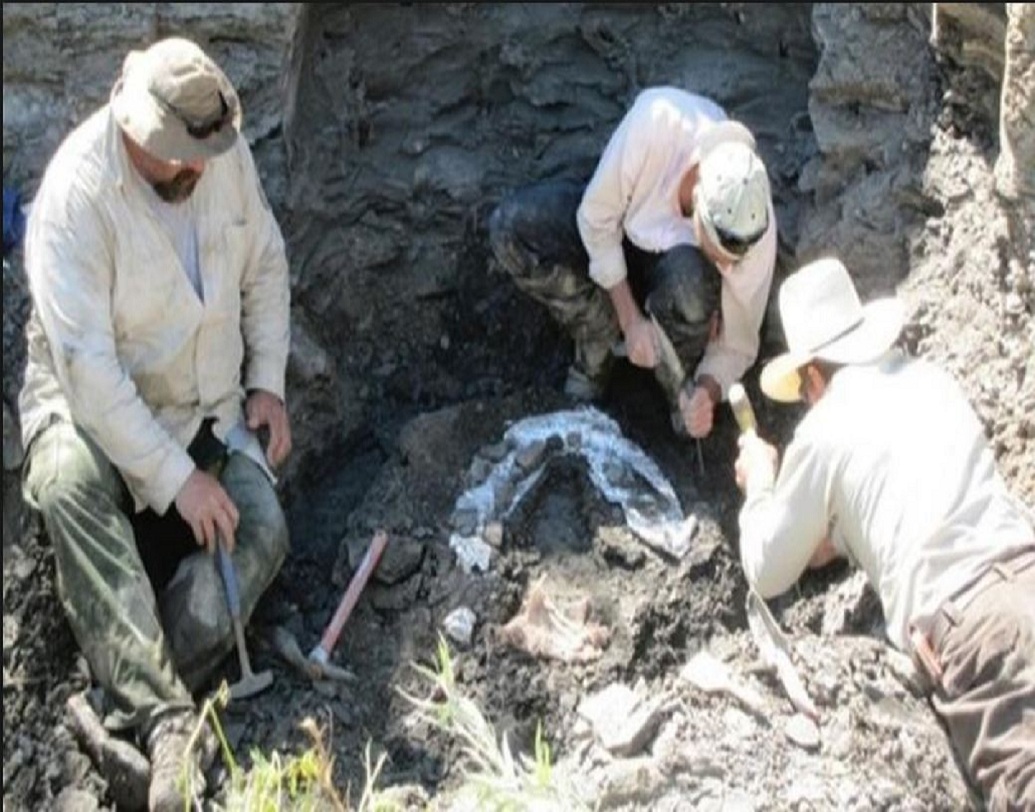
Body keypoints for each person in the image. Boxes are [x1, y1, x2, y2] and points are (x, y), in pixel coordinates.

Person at [17, 36, 292, 811]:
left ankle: (123, 698)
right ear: (139, 136)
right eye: (181, 160)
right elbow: (93, 380)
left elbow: (264, 263)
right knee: (67, 483)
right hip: (93, 410)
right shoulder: (78, 199)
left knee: (263, 529)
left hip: (202, 403)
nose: (199, 173)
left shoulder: (217, 157)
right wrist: (179, 483)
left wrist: (266, 382)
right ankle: (171, 722)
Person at [734, 257, 1034, 810]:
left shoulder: (824, 428)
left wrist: (760, 485)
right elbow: (884, 510)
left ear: (812, 377)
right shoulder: (931, 379)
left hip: (973, 628)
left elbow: (766, 568)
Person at [489, 86, 777, 439]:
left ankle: (677, 386)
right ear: (698, 202)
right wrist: (629, 320)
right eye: (720, 254)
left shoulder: (754, 226)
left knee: (692, 284)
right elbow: (596, 217)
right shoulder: (655, 125)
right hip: (618, 233)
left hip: (676, 282)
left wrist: (706, 390)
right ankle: (598, 335)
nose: (730, 268)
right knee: (513, 228)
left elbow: (738, 345)